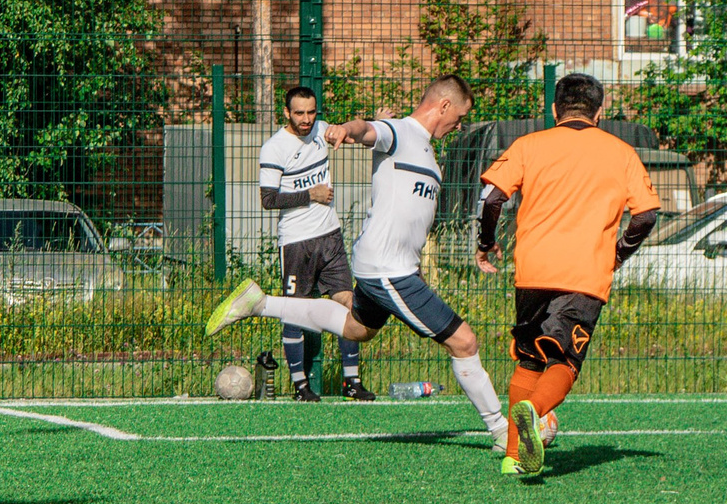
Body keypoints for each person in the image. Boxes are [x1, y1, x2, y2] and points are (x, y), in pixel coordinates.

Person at [205, 77, 508, 447]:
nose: (459, 125)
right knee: (464, 341)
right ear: (443, 106)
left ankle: (259, 303)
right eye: (459, 116)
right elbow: (366, 130)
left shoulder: (425, 149)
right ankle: (503, 430)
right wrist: (346, 130)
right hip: (387, 269)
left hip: (389, 267)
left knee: (356, 328)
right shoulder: (401, 132)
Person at [474, 72, 662, 480]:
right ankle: (535, 412)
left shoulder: (528, 145)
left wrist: (486, 242)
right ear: (600, 111)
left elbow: (492, 199)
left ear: (555, 109)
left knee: (528, 360)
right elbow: (646, 215)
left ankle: (513, 456)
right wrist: (618, 254)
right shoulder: (621, 151)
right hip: (583, 276)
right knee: (565, 361)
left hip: (532, 273)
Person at [257, 84, 373, 402]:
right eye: (299, 113)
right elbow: (268, 199)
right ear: (286, 113)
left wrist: (379, 123)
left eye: (311, 112)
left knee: (349, 304)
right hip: (296, 243)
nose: (307, 119)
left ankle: (351, 381)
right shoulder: (274, 148)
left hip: (330, 236)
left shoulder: (321, 130)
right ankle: (300, 385)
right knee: (295, 313)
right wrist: (311, 194)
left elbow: (353, 134)